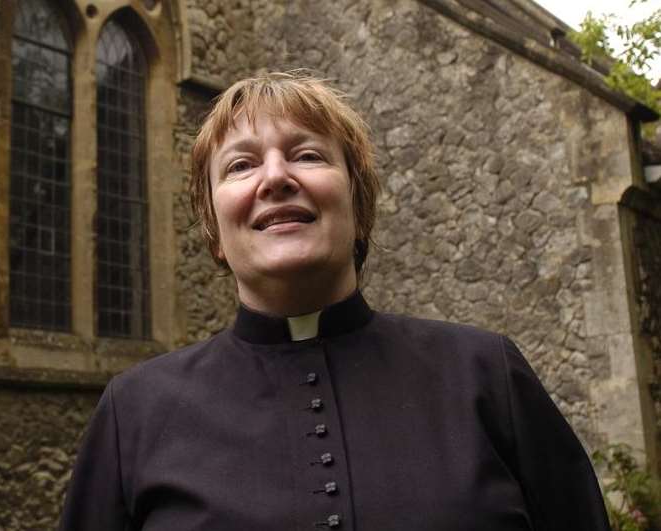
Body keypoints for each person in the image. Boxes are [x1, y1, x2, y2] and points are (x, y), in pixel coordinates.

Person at [59, 72, 610, 530]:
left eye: (307, 155)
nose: (275, 177)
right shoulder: (133, 412)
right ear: (213, 225)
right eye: (241, 165)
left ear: (358, 203)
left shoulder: (486, 375)